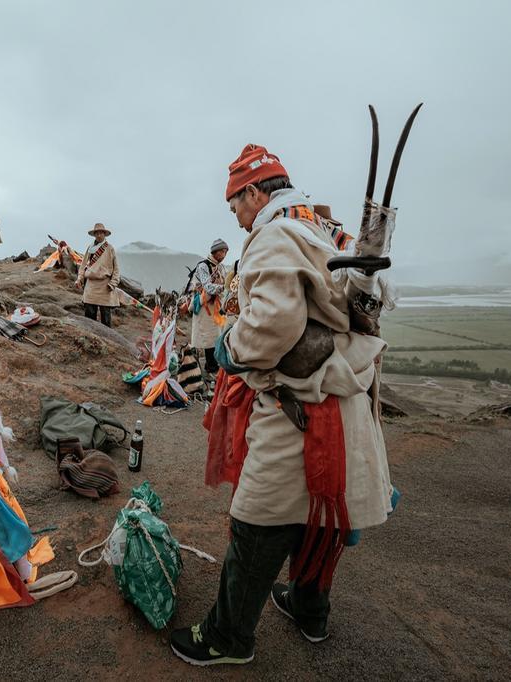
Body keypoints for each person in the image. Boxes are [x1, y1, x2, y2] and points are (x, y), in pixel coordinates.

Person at [171, 144, 395, 666]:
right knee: (319, 520)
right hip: (342, 402)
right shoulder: (323, 229)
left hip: (298, 407)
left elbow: (272, 324)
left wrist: (231, 347)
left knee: (259, 521)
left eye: (236, 207)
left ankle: (227, 638)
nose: (240, 220)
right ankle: (308, 609)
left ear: (253, 192)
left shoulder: (274, 235)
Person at [189, 238, 229, 381]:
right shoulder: (203, 266)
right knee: (208, 336)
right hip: (205, 305)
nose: (224, 254)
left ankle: (213, 364)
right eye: (222, 251)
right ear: (215, 252)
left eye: (226, 251)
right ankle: (210, 367)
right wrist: (225, 287)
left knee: (217, 334)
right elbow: (207, 286)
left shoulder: (221, 267)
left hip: (216, 305)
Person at [74, 223, 120, 327]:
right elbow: (84, 265)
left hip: (105, 286)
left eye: (101, 233)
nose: (99, 235)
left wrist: (113, 283)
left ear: (104, 234)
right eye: (97, 233)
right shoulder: (90, 248)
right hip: (90, 285)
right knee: (89, 317)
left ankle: (108, 341)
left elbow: (116, 269)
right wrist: (79, 279)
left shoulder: (110, 248)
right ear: (94, 235)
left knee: (106, 318)